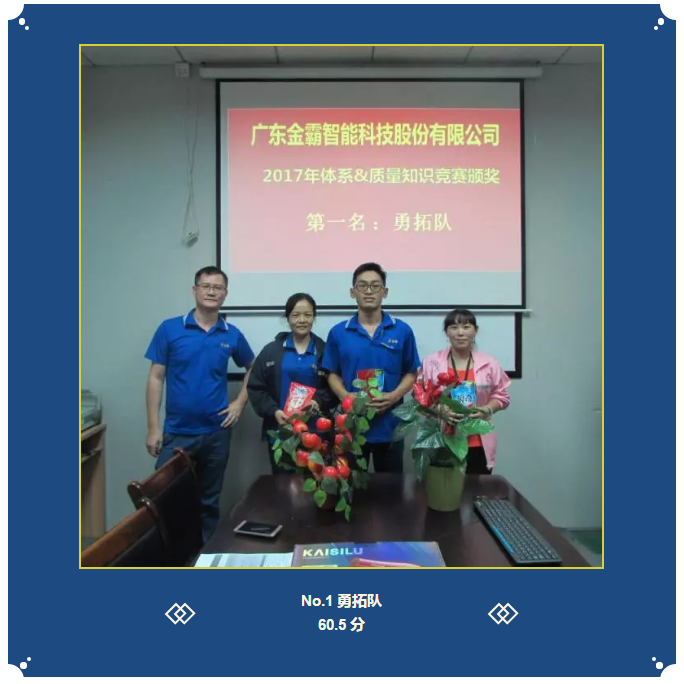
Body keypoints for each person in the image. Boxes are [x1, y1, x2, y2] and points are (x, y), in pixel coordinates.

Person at [144, 266, 254, 542]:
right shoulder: (170, 329)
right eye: (206, 286)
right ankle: (171, 557)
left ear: (225, 294)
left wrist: (239, 403)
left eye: (218, 288)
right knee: (165, 500)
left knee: (208, 501)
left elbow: (253, 368)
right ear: (195, 290)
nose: (211, 292)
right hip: (177, 432)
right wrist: (153, 428)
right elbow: (156, 378)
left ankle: (203, 556)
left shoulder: (231, 334)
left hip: (216, 434)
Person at [322, 262, 420, 473]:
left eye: (375, 286)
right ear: (352, 292)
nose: (368, 291)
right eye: (362, 286)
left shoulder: (402, 330)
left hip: (391, 426)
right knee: (354, 488)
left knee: (391, 488)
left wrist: (393, 396)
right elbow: (331, 373)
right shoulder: (338, 332)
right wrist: (346, 397)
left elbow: (412, 372)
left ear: (385, 292)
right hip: (352, 428)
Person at [247, 293, 335, 473]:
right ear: (287, 318)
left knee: (315, 482)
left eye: (307, 315)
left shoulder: (324, 351)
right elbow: (256, 387)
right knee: (282, 484)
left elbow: (335, 388)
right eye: (296, 315)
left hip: (316, 433)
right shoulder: (271, 351)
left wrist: (318, 401)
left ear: (314, 317)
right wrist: (274, 411)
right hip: (282, 430)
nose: (302, 320)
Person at [420, 308, 511, 474]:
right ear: (446, 332)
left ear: (476, 331)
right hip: (442, 440)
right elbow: (420, 395)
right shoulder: (431, 363)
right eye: (454, 327)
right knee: (442, 488)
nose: (460, 333)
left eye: (466, 327)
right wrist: (439, 410)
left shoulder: (489, 364)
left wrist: (487, 409)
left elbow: (502, 395)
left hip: (477, 441)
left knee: (477, 488)